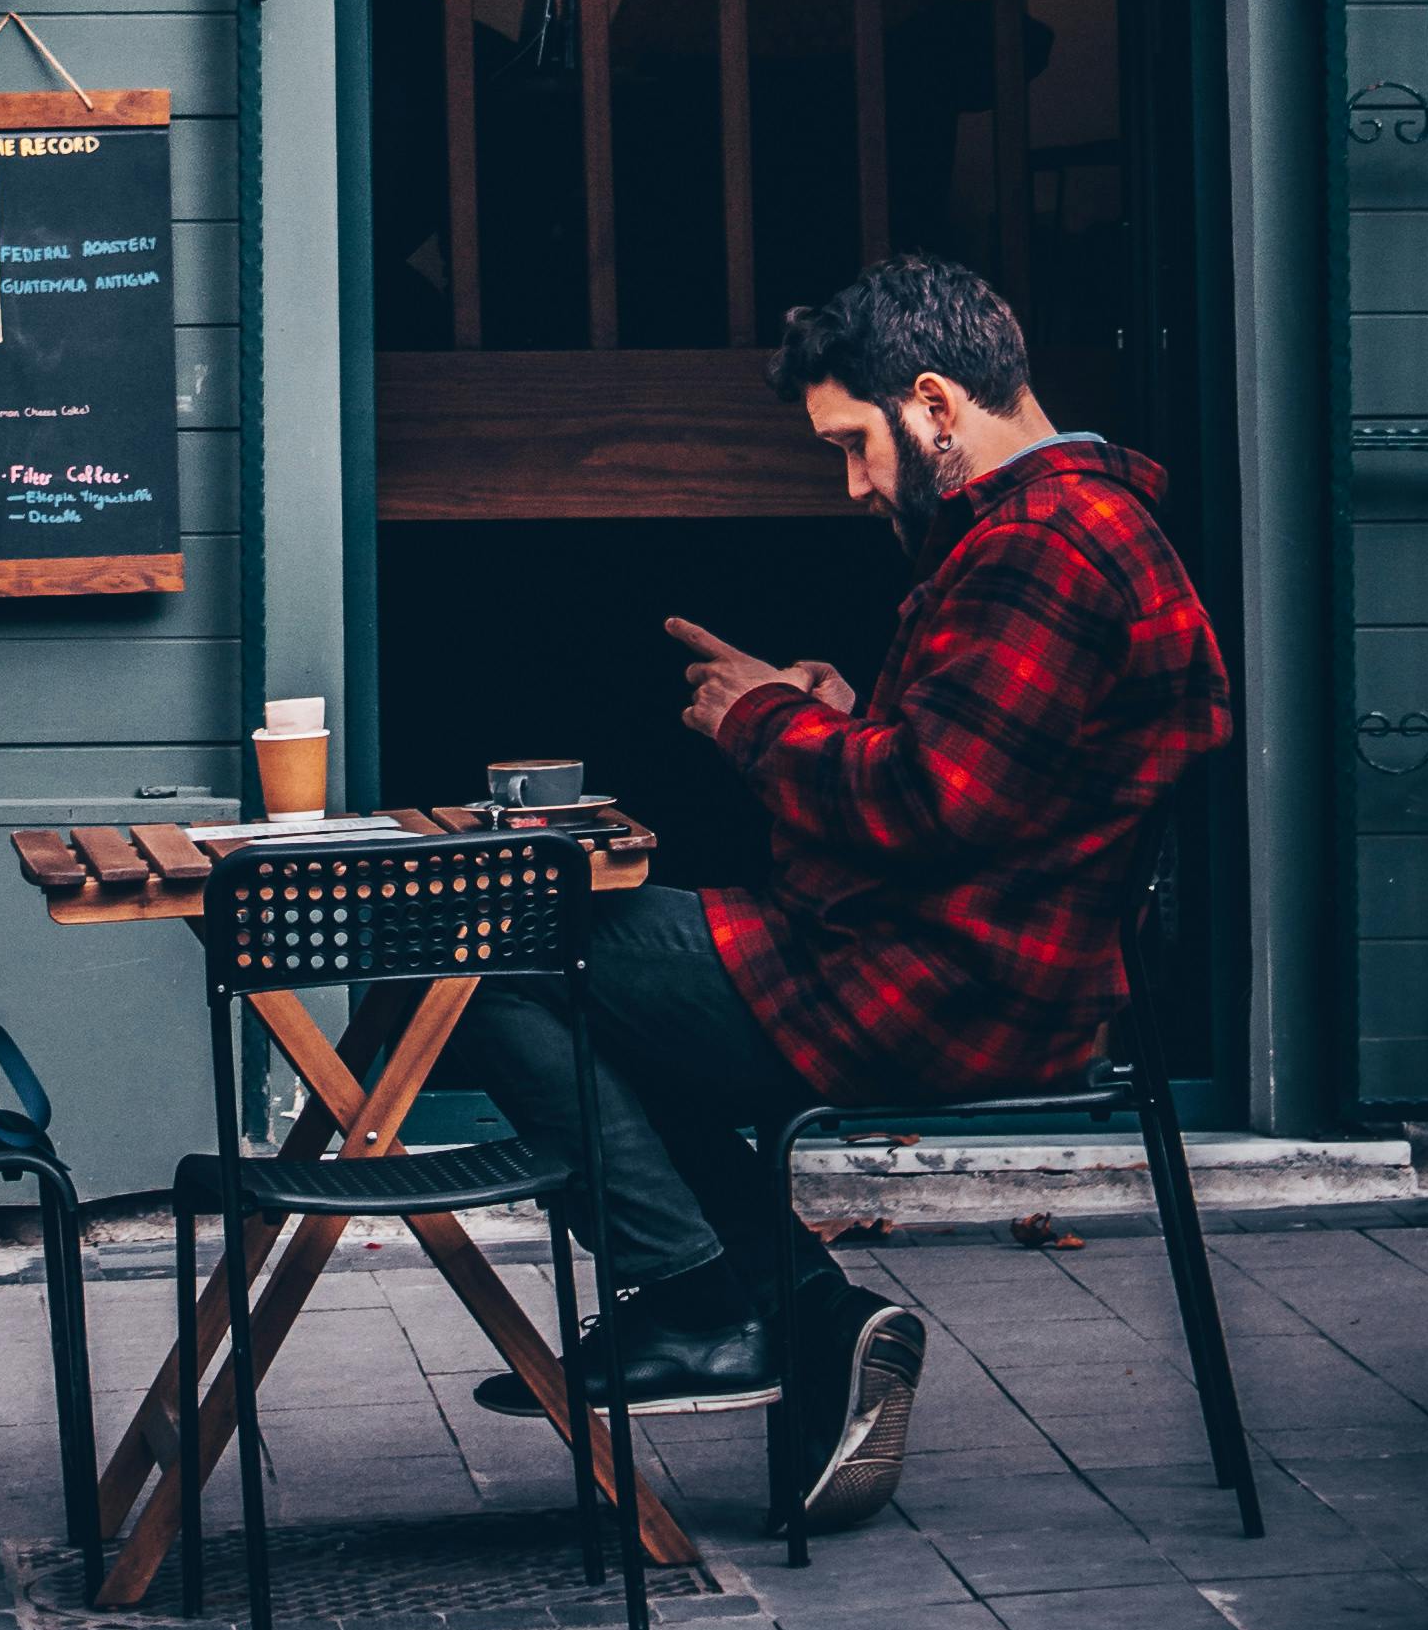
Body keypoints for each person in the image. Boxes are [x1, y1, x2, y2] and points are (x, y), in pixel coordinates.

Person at [462, 252, 1232, 1534]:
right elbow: (983, 781)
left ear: (934, 403)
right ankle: (805, 1312)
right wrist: (840, 714)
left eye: (854, 443)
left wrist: (760, 721)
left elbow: (925, 806)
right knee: (593, 997)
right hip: (951, 956)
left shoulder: (1044, 545)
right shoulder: (1073, 527)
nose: (856, 480)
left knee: (494, 954)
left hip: (929, 982)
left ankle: (712, 1304)